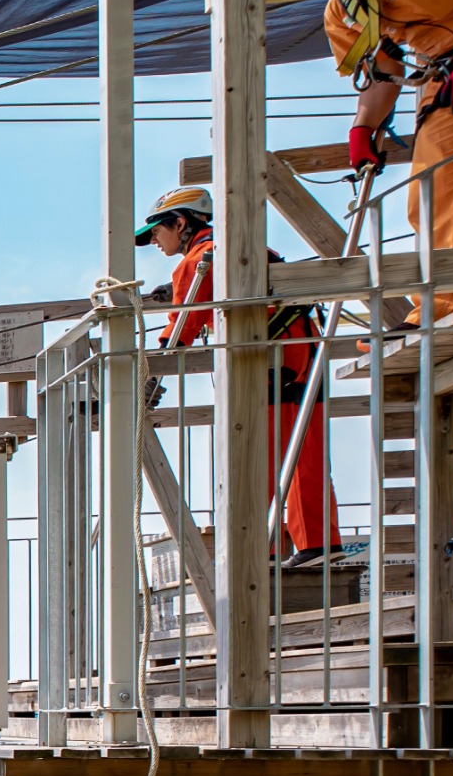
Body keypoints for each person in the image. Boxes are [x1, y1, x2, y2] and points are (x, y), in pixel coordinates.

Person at [278, 0, 453, 323]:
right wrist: (362, 128)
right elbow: (383, 70)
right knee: (435, 190)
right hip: (446, 76)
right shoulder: (344, 7)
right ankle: (439, 306)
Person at [139, 178, 337, 563]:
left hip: (268, 362)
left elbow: (180, 330)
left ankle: (260, 550)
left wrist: (149, 377)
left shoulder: (199, 261)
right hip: (302, 351)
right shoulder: (247, 247)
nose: (155, 243)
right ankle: (317, 544)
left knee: (255, 457)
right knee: (304, 450)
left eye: (156, 231)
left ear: (180, 223)